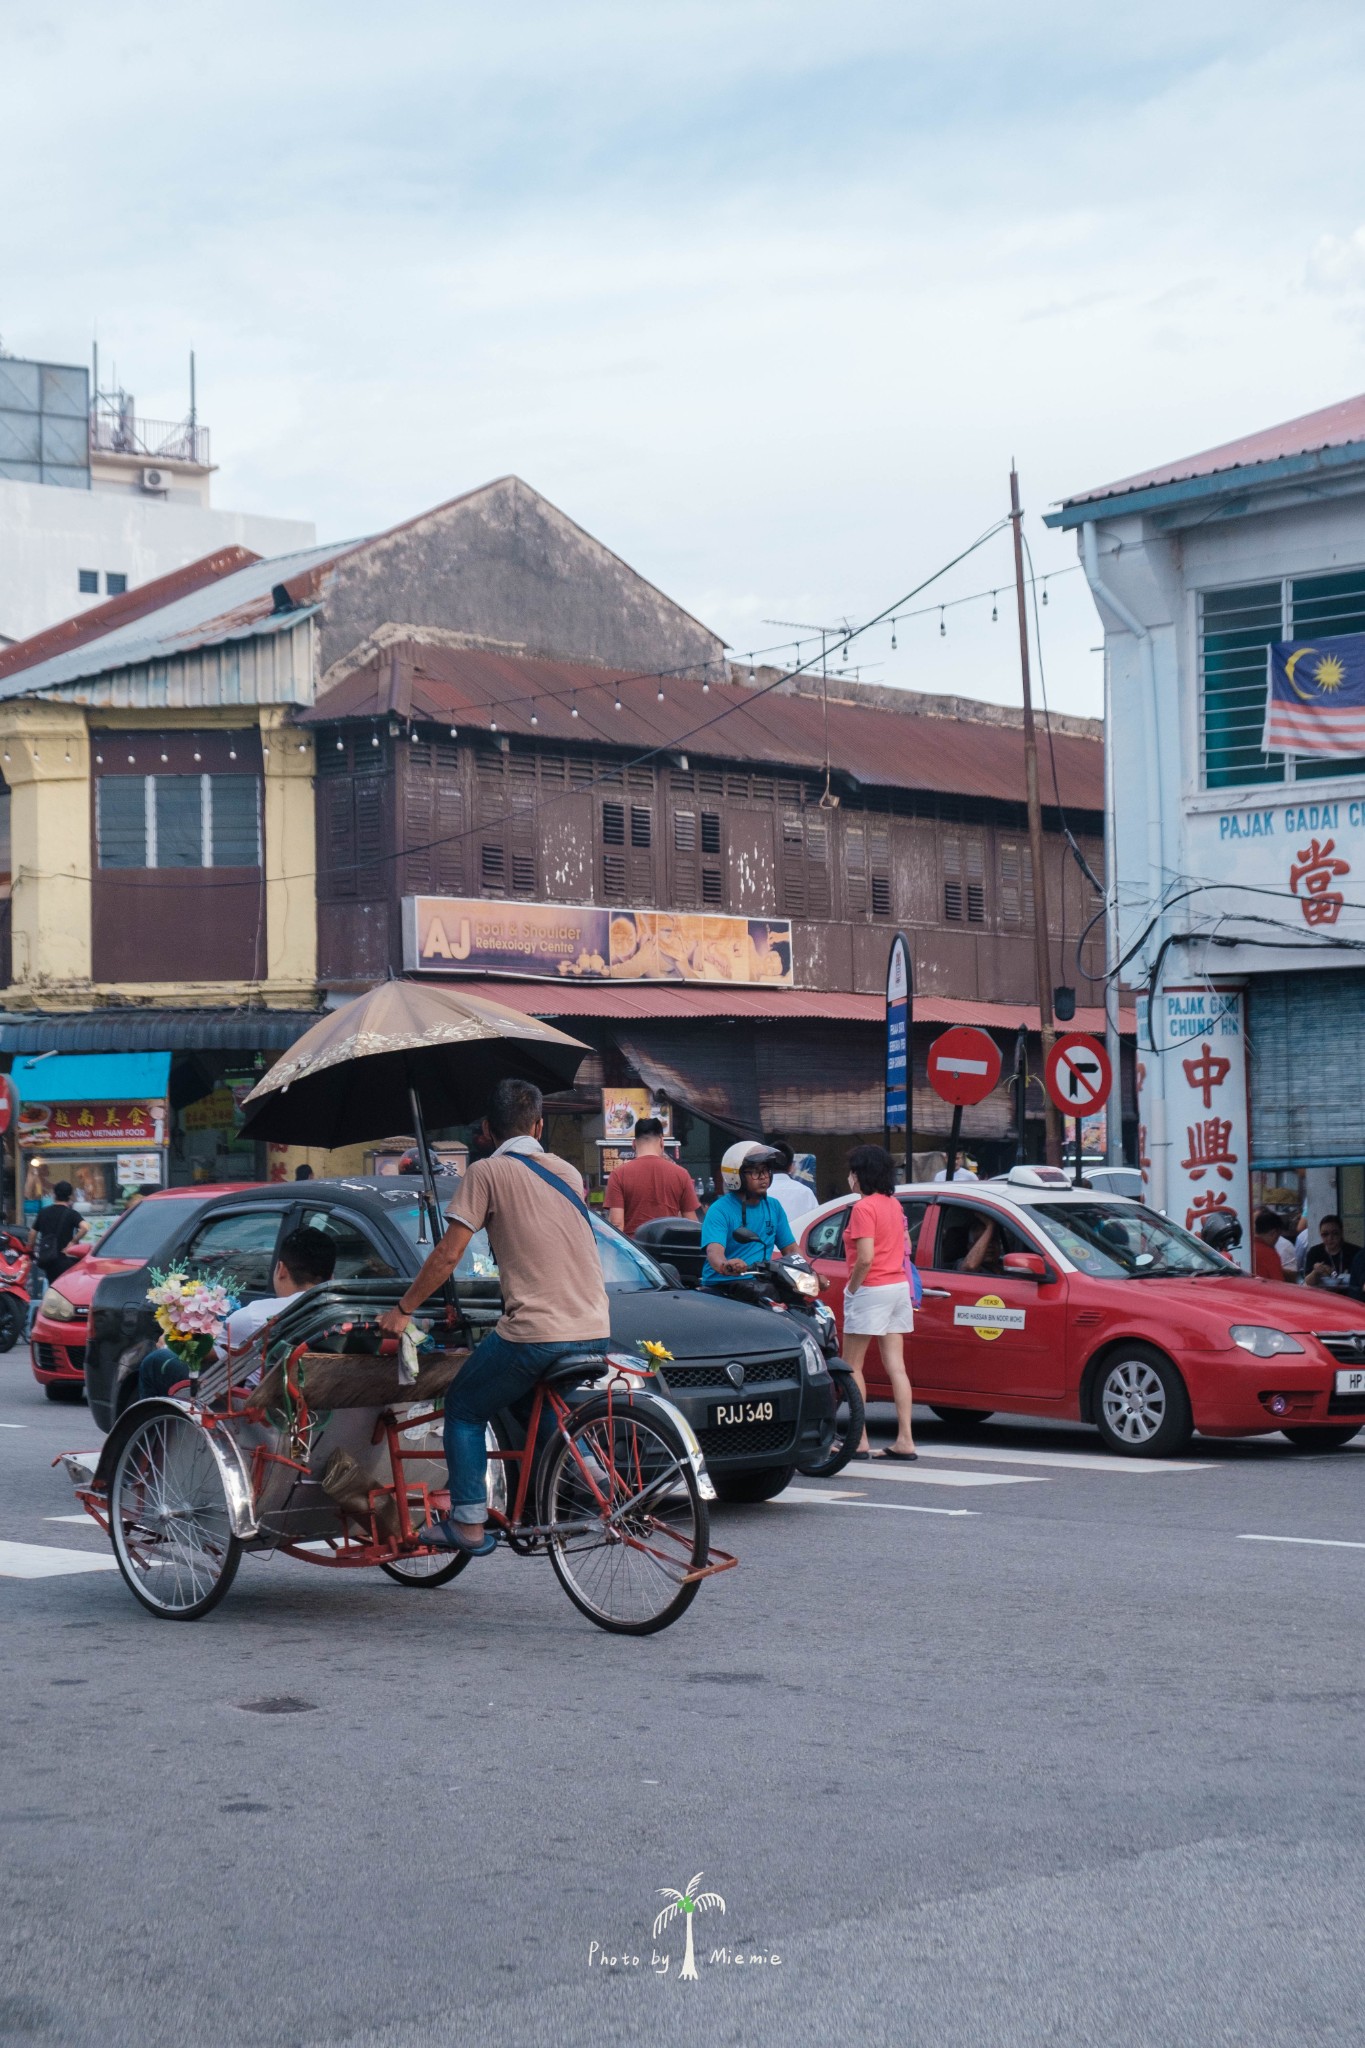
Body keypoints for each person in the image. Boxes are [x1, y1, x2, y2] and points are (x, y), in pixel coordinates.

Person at [378, 1078, 609, 1559]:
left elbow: (447, 1255)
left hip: (537, 1332)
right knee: (534, 1404)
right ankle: (587, 1472)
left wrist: (402, 1312)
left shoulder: (486, 1172)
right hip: (594, 1327)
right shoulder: (567, 1172)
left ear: (486, 1129)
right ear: (540, 1125)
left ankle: (467, 1522)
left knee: (464, 1406)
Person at [137, 1227, 337, 1399]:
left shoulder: (256, 1316)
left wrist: (169, 1343)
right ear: (331, 1277)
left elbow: (204, 1352)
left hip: (262, 1412)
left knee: (155, 1362)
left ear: (281, 1269)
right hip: (329, 1403)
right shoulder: (343, 1313)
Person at [840, 1144, 917, 1462]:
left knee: (852, 1365)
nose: (849, 1178)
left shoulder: (863, 1208)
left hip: (871, 1289)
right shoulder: (893, 1205)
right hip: (898, 1286)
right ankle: (905, 1440)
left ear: (859, 1175)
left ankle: (859, 1439)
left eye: (851, 1172)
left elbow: (865, 1258)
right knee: (896, 1367)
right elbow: (905, 1245)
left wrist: (851, 1289)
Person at [698, 1143, 798, 1289]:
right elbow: (714, 1252)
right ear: (736, 1176)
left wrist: (810, 1271)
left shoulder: (773, 1206)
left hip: (760, 1283)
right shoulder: (719, 1210)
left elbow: (791, 1249)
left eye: (766, 1170)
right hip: (723, 1285)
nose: (764, 1177)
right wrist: (726, 1265)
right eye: (756, 1172)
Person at [605, 1119, 698, 1236]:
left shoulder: (618, 1175)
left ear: (633, 1144)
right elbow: (692, 1224)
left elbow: (617, 1224)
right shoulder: (681, 1174)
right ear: (662, 1142)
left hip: (634, 1252)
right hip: (668, 1250)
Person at [29, 1180, 85, 1286]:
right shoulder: (71, 1214)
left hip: (48, 1258)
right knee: (66, 1288)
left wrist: (31, 1250)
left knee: (52, 1286)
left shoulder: (43, 1212)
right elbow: (85, 1228)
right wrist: (73, 1242)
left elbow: (32, 1233)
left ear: (54, 1195)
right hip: (66, 1258)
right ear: (70, 1196)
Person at [1303, 1214, 1360, 1292]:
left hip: (1349, 1296)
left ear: (1341, 1233)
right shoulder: (1314, 1252)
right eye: (1325, 1234)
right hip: (1323, 1296)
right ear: (1320, 1234)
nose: (1330, 1238)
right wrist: (1316, 1272)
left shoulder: (1355, 1252)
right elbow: (1308, 1282)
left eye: (1335, 1233)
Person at [766, 1141, 818, 1224]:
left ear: (767, 1167)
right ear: (791, 1167)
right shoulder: (806, 1192)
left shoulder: (759, 1193)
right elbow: (816, 1222)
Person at [1252, 1208, 1292, 1282]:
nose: (1276, 1240)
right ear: (1273, 1233)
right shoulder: (1269, 1254)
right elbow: (1278, 1285)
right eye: (1278, 1236)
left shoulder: (1247, 1248)